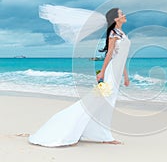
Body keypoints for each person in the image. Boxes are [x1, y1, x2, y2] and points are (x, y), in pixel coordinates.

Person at [28, 8, 131, 147]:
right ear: (115, 19)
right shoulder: (113, 33)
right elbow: (110, 54)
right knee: (98, 102)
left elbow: (122, 57)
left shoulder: (122, 33)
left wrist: (125, 76)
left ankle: (101, 134)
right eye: (121, 13)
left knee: (107, 104)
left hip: (118, 73)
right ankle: (75, 130)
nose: (124, 15)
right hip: (112, 72)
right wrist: (102, 72)